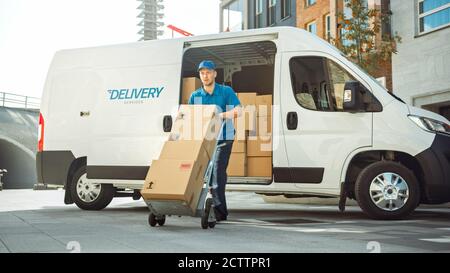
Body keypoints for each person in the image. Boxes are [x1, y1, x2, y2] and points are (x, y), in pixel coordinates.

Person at [188, 60, 241, 221]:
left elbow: (238, 110)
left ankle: (220, 212)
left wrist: (219, 116)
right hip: (204, 141)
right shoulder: (195, 96)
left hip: (223, 138)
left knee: (217, 174)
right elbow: (190, 117)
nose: (205, 75)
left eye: (208, 72)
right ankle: (192, 203)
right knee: (201, 173)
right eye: (202, 73)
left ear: (215, 74)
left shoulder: (225, 91)